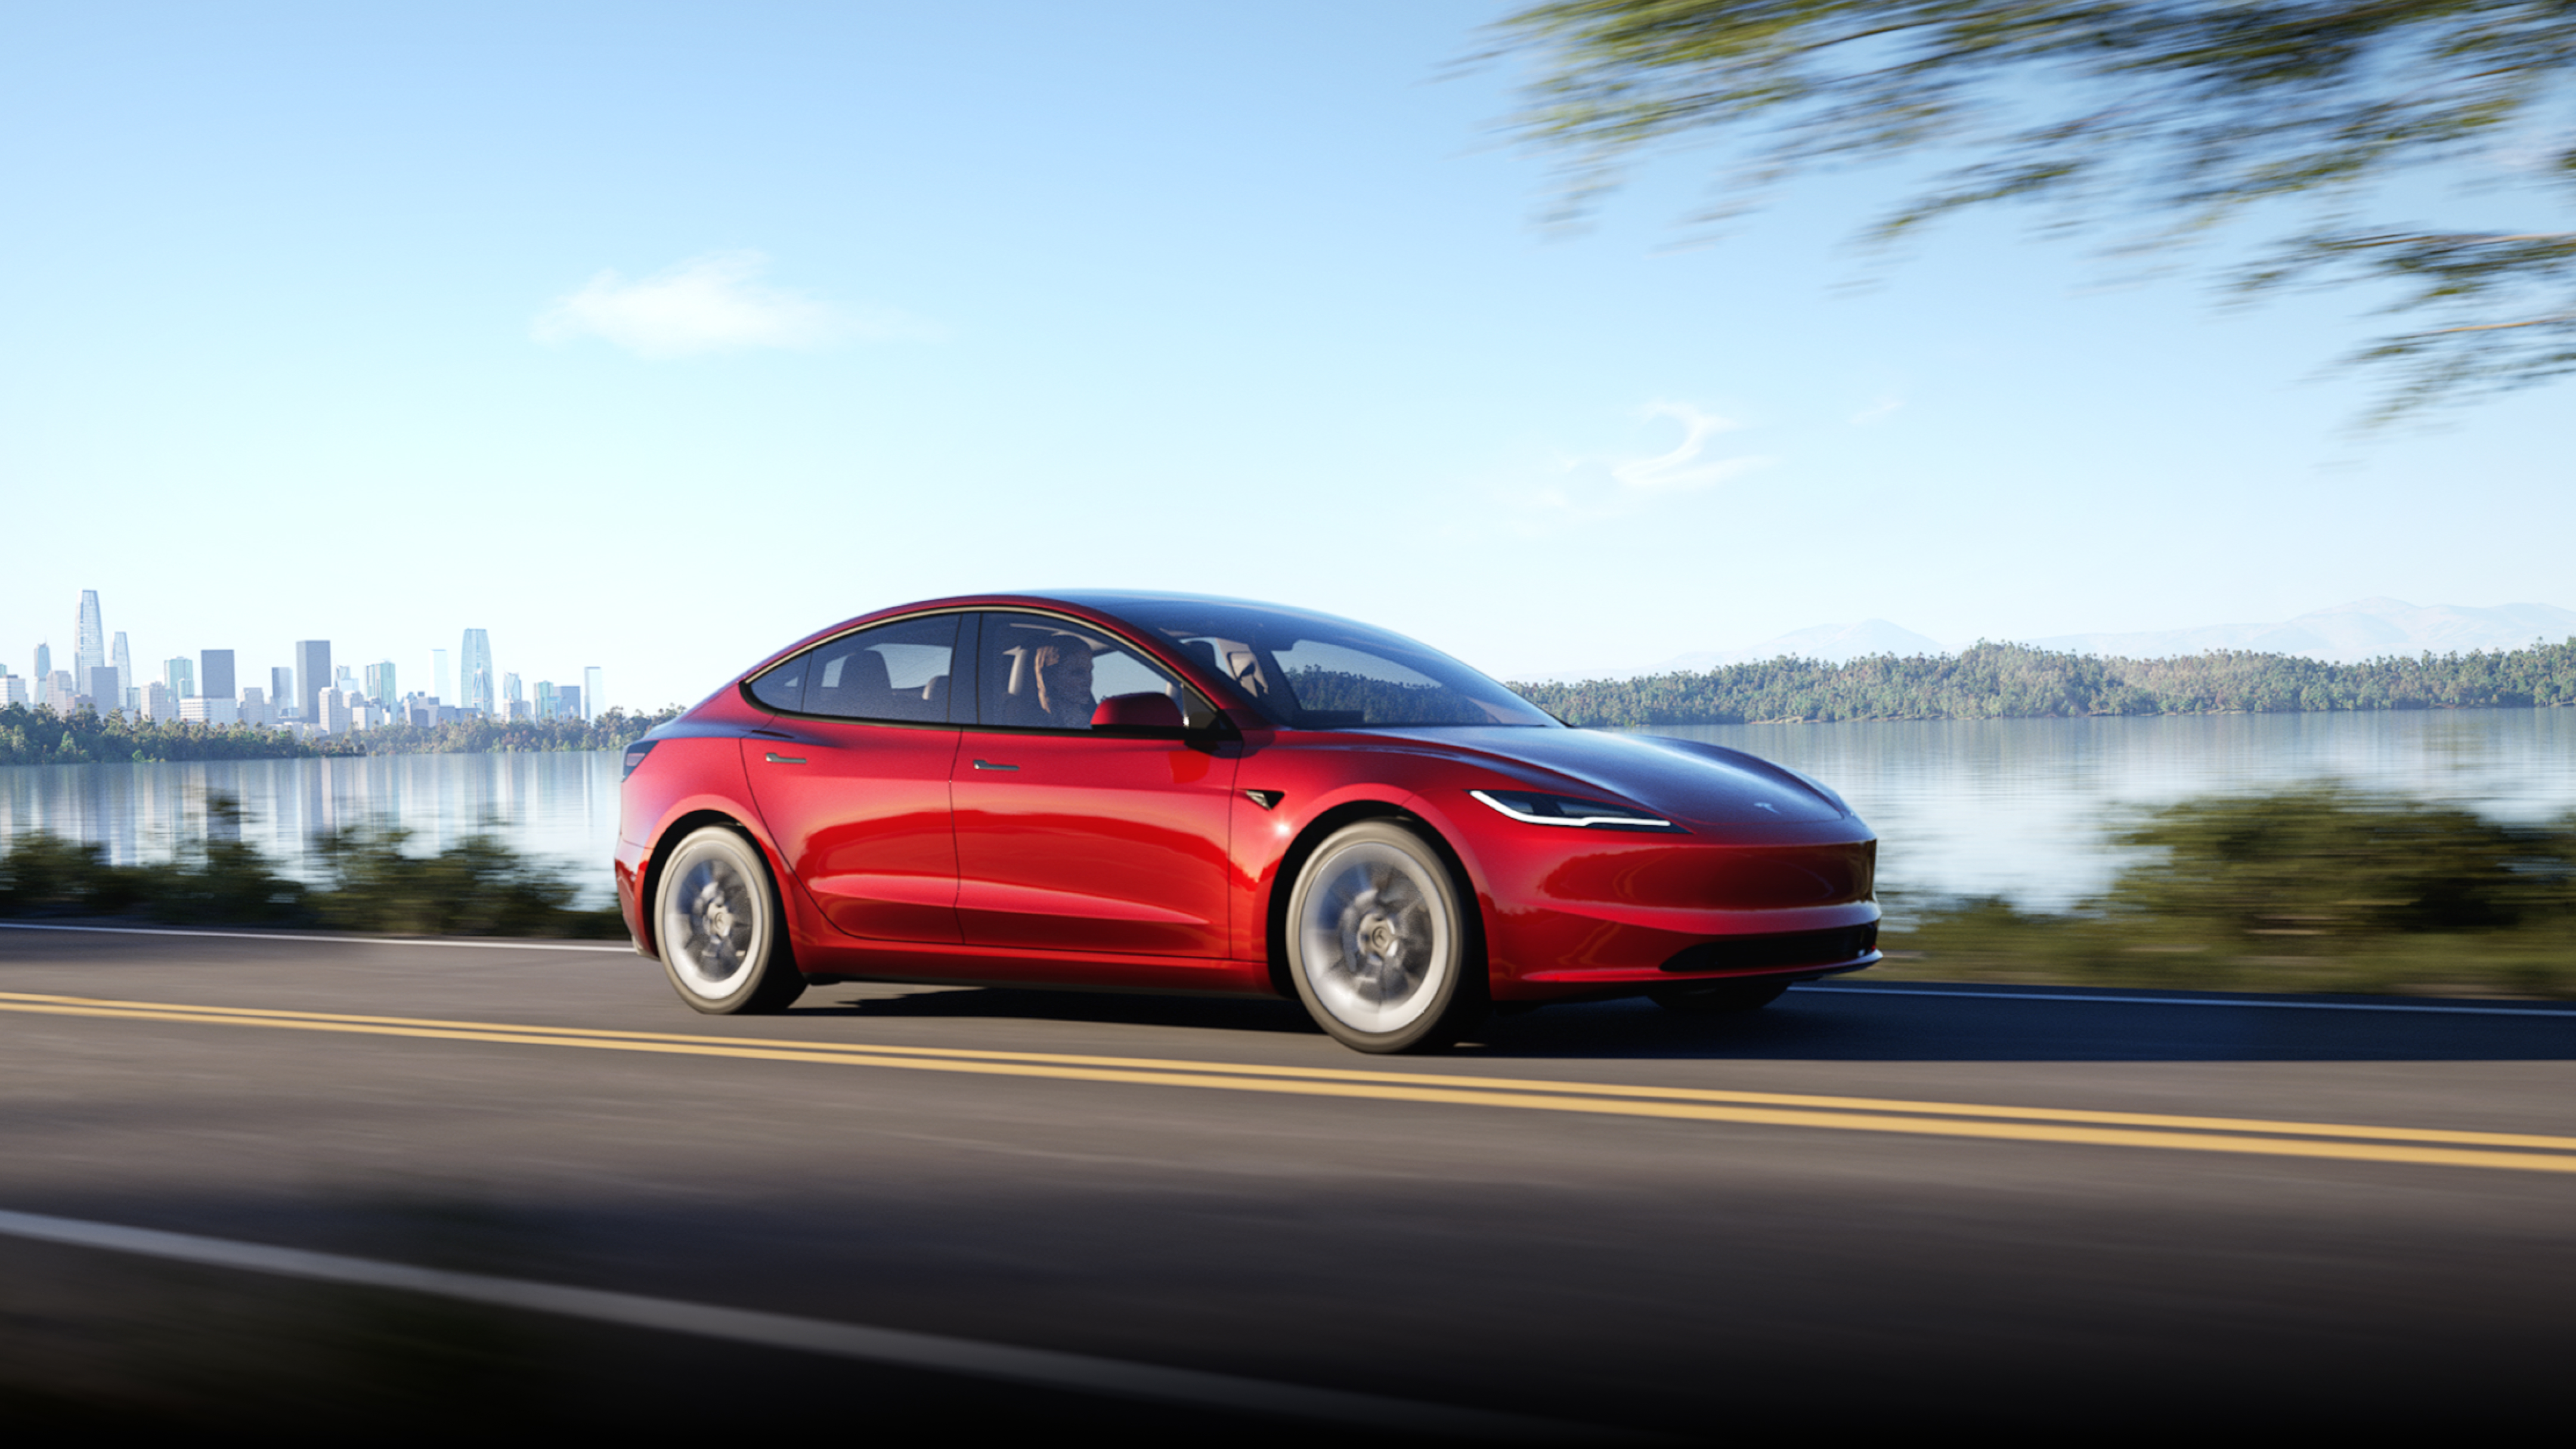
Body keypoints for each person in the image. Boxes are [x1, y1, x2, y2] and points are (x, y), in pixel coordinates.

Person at [1029, 639, 1095, 727]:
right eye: (1077, 672)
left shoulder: (1095, 718)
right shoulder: (1035, 727)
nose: (1088, 680)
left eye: (1090, 671)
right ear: (1051, 677)